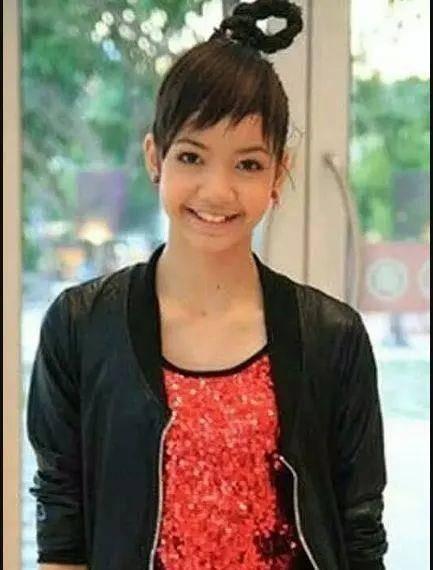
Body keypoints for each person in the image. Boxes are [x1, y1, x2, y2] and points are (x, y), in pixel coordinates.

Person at [27, 1, 388, 569]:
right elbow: (62, 532)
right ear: (155, 157)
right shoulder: (79, 327)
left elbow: (360, 533)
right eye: (192, 156)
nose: (217, 191)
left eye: (248, 164)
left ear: (279, 173)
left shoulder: (333, 336)